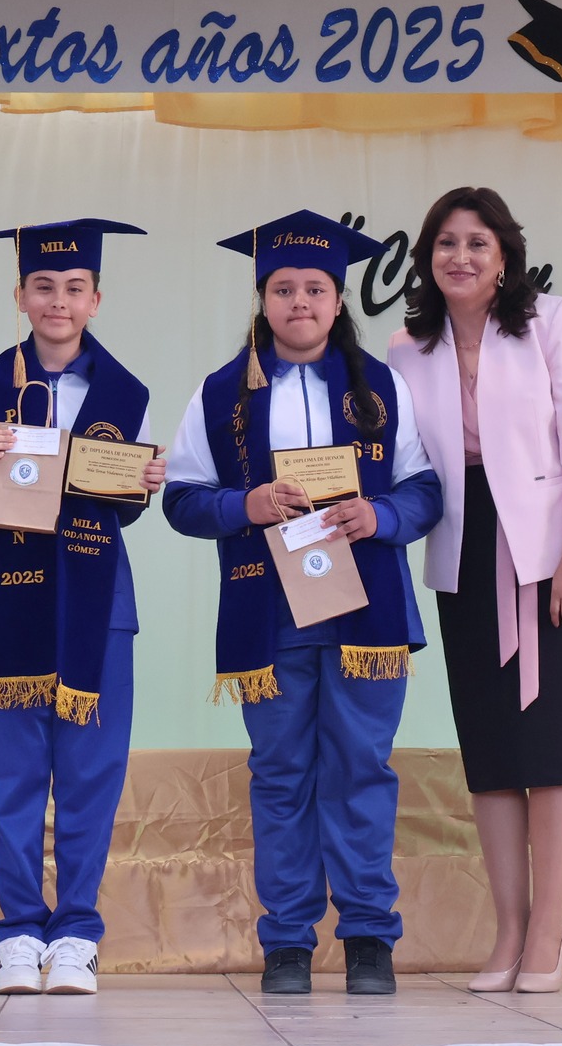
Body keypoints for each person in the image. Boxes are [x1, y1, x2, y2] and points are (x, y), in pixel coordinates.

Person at [163, 210, 442, 997]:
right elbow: (181, 498)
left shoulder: (381, 387)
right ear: (263, 299)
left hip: (366, 611)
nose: (299, 302)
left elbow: (425, 488)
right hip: (269, 610)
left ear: (338, 297)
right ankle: (286, 937)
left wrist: (380, 516)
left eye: (315, 288)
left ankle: (366, 937)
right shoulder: (222, 393)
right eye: (283, 288)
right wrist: (242, 506)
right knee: (281, 771)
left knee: (361, 766)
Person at [385, 186, 562, 996]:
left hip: (556, 541)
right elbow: (399, 459)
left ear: (505, 256)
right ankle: (510, 928)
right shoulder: (404, 348)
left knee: (553, 747)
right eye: (446, 242)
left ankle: (551, 929)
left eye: (477, 243)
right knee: (491, 754)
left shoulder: (553, 321)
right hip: (465, 545)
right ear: (427, 258)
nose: (460, 256)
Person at [0, 220, 166, 997]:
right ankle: (15, 934)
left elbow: (123, 510)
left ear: (96, 298)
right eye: (43, 286)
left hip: (98, 605)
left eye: (74, 288)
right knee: (11, 777)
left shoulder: (127, 393)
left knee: (89, 776)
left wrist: (141, 484)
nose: (59, 301)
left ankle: (74, 932)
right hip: (7, 604)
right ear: (19, 295)